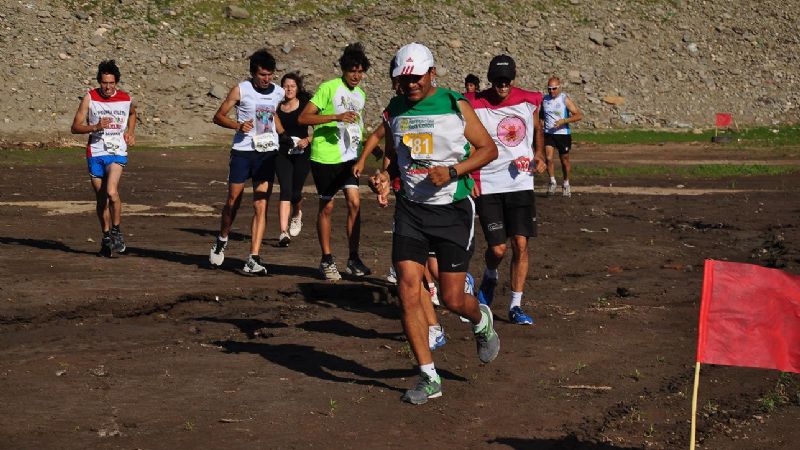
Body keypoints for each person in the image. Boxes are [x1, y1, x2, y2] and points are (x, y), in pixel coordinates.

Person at [371, 43, 500, 405]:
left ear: (431, 73)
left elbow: (488, 149)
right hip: (410, 210)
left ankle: (481, 321)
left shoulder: (454, 103)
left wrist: (454, 171)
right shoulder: (394, 110)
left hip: (452, 210)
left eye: (415, 77)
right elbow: (397, 158)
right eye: (402, 79)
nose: (409, 84)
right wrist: (383, 176)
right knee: (408, 289)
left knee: (452, 298)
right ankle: (429, 376)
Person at [466, 54, 546, 325]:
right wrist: (470, 178)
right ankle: (490, 273)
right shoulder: (474, 103)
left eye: (507, 80)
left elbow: (537, 128)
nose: (502, 85)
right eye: (498, 80)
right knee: (498, 249)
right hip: (488, 182)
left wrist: (539, 155)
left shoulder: (530, 100)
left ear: (514, 78)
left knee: (520, 244)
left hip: (520, 182)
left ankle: (515, 305)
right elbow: (466, 141)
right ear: (491, 80)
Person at [208, 49, 286, 275]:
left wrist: (285, 136)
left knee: (261, 205)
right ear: (253, 73)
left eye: (270, 75)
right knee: (233, 201)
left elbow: (273, 115)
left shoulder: (278, 93)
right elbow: (218, 116)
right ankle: (222, 238)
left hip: (267, 153)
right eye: (262, 74)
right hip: (243, 152)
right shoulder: (240, 90)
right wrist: (238, 126)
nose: (266, 79)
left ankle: (253, 257)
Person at [299, 43, 371, 280]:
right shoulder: (329, 88)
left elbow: (357, 126)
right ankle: (327, 259)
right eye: (352, 70)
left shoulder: (360, 95)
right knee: (327, 207)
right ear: (343, 69)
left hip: (349, 158)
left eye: (360, 71)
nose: (356, 76)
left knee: (354, 202)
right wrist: (335, 117)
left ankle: (353, 258)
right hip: (325, 158)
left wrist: (374, 150)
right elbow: (304, 117)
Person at [70, 60, 137, 257]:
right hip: (96, 152)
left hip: (117, 151)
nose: (108, 87)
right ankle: (106, 236)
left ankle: (117, 231)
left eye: (111, 83)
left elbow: (132, 114)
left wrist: (130, 132)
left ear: (117, 82)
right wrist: (95, 127)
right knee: (101, 199)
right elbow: (75, 127)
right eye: (104, 83)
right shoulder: (90, 98)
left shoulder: (125, 99)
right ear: (100, 81)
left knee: (111, 192)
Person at [275, 72, 312, 247]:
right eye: (285, 86)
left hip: (303, 153)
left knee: (296, 192)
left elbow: (319, 128)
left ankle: (297, 214)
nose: (288, 89)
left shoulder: (305, 106)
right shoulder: (276, 107)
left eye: (292, 86)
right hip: (282, 153)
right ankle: (283, 232)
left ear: (297, 88)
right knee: (285, 190)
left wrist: (308, 140)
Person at [541, 76, 583, 197]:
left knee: (564, 160)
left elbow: (578, 115)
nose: (551, 91)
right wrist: (541, 121)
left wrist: (563, 121)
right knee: (548, 158)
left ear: (559, 87)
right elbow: (541, 115)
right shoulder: (545, 99)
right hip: (549, 133)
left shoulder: (564, 99)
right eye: (549, 89)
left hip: (563, 134)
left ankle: (566, 183)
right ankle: (552, 181)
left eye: (554, 89)